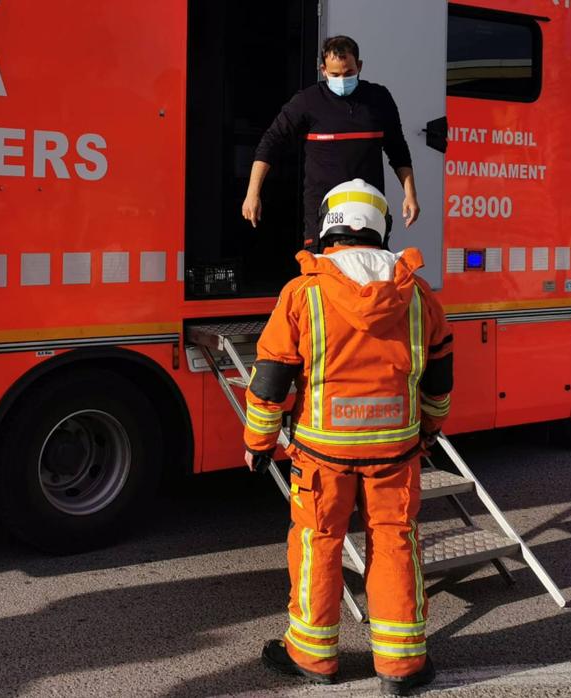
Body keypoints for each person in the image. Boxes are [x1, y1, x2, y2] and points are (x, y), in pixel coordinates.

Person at [242, 179, 452, 694]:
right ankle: (401, 666)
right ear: (381, 226)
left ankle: (313, 657)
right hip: (395, 453)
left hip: (321, 455)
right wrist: (429, 430)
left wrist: (258, 443)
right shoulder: (417, 294)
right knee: (395, 545)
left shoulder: (303, 292)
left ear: (328, 227)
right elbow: (439, 379)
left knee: (318, 544)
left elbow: (269, 380)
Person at [242, 36, 420, 249]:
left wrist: (410, 194)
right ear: (323, 70)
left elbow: (398, 150)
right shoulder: (307, 101)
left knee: (371, 277)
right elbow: (271, 142)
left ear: (359, 66)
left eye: (349, 73)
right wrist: (252, 193)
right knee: (322, 274)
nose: (342, 80)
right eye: (335, 74)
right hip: (323, 211)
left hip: (369, 209)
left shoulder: (379, 99)